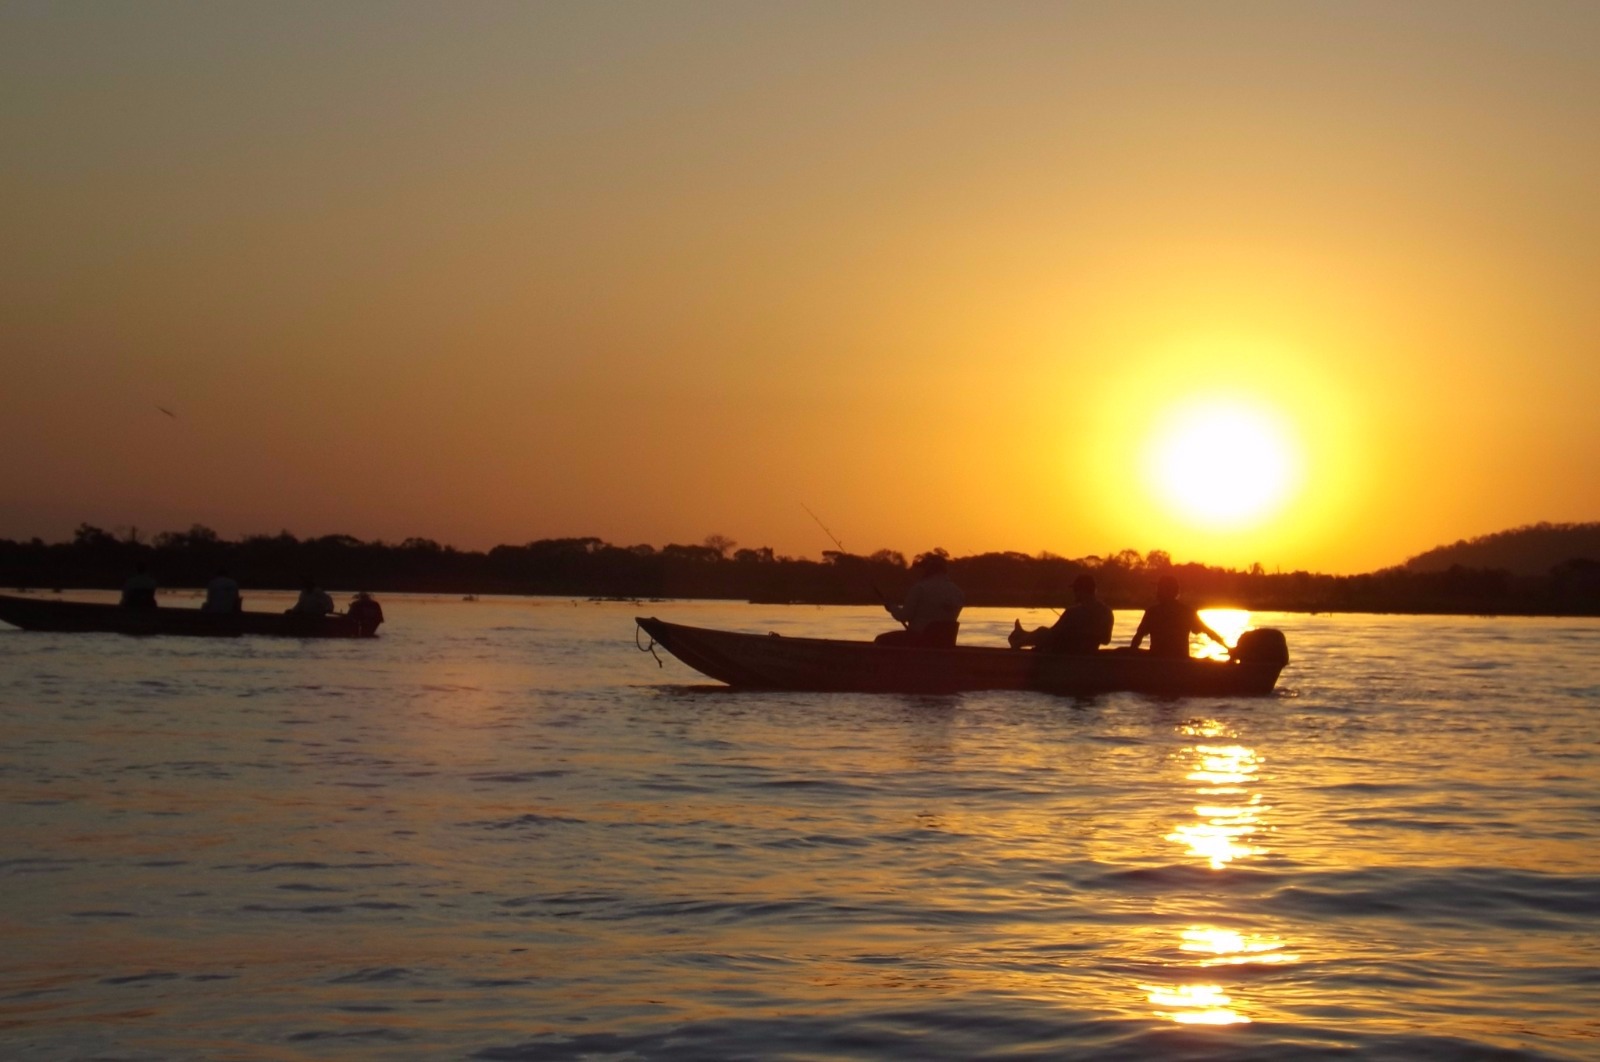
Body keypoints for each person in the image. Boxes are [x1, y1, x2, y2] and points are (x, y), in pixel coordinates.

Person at [1009, 573, 1114, 653]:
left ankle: (1017, 643)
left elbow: (1051, 634)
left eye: (1075, 590)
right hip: (1090, 652)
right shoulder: (1107, 611)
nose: (1074, 594)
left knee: (1042, 632)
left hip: (1069, 653)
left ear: (1081, 591)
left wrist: (1080, 635)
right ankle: (1021, 634)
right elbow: (1106, 640)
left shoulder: (1072, 612)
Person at [876, 553, 964, 647]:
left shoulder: (920, 588)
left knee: (880, 640)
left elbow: (904, 616)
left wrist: (892, 607)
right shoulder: (958, 592)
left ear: (927, 569)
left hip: (919, 640)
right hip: (945, 642)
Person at [1129, 575, 1229, 658]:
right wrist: (1228, 648)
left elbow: (1137, 639)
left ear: (1167, 591)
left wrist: (1131, 655)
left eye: (1159, 588)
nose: (1157, 591)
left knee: (1122, 651)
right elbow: (1209, 632)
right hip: (1181, 660)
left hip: (1158, 661)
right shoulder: (1187, 612)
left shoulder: (1152, 612)